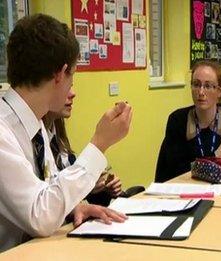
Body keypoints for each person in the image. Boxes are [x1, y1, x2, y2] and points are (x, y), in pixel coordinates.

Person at [0, 14, 132, 252]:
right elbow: (39, 216)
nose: (73, 88)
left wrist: (74, 207)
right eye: (73, 75)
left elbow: (47, 190)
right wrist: (99, 145)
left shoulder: (36, 126)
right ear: (60, 74)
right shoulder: (2, 130)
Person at [43, 88, 123, 207]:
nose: (73, 94)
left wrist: (103, 189)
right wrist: (85, 188)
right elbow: (49, 202)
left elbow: (79, 197)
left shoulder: (57, 138)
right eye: (67, 87)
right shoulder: (36, 143)